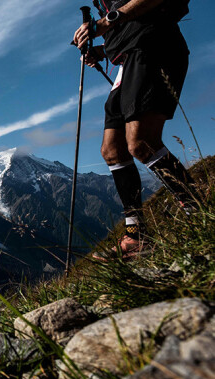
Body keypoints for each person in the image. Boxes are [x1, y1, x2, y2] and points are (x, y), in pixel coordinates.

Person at [73, 0, 196, 258]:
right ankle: (137, 236)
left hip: (153, 46)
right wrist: (103, 52)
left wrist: (106, 21)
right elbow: (127, 26)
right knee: (112, 149)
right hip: (128, 58)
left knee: (141, 141)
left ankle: (198, 213)